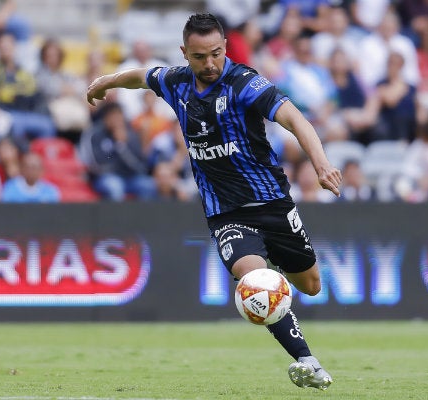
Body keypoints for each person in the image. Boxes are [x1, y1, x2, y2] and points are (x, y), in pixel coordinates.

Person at [87, 13, 342, 390]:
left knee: (311, 285)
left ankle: (275, 270)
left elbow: (295, 119)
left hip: (272, 203)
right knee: (254, 280)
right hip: (225, 213)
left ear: (225, 47)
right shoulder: (175, 81)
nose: (209, 63)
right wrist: (106, 81)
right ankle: (307, 361)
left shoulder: (244, 83)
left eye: (216, 54)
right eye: (199, 56)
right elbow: (141, 76)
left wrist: (321, 165)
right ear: (184, 53)